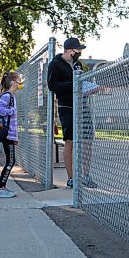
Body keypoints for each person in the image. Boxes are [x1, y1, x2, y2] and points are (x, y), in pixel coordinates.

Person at [48, 37, 94, 188]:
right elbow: (52, 85)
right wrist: (73, 85)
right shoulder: (55, 64)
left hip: (82, 105)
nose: (79, 53)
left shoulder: (77, 64)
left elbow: (80, 82)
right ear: (69, 51)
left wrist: (88, 88)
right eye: (78, 50)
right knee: (70, 141)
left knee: (87, 139)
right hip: (67, 107)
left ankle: (86, 176)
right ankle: (71, 177)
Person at [0, 72, 22, 198]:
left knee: (10, 161)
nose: (21, 83)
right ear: (14, 82)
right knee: (10, 161)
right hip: (7, 134)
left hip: (10, 135)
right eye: (19, 81)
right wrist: (10, 111)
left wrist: (15, 138)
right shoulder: (7, 96)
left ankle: (2, 187)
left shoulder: (11, 96)